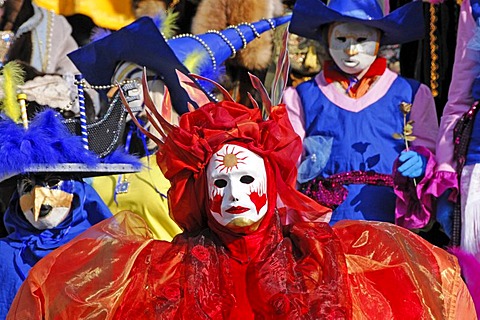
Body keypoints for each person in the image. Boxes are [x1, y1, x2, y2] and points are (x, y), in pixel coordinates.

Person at [6, 73, 475, 319]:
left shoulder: (321, 262)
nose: (234, 194)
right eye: (221, 183)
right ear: (201, 195)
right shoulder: (164, 273)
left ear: (273, 185)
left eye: (248, 180)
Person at [67, 15, 291, 239]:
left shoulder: (204, 163)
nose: (126, 98)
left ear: (172, 91)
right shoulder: (101, 154)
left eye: (138, 85)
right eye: (121, 87)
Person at [284, 0, 440, 230]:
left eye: (361, 40)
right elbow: (288, 166)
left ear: (379, 40)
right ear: (326, 38)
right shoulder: (301, 97)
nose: (350, 50)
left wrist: (423, 161)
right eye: (341, 39)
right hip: (325, 228)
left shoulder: (412, 93)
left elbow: (433, 148)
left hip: (390, 224)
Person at [0, 107, 142, 318]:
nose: (39, 197)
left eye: (53, 183)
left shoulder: (106, 250)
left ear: (78, 193)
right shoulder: (4, 254)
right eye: (27, 187)